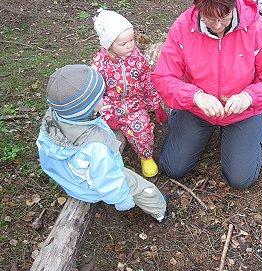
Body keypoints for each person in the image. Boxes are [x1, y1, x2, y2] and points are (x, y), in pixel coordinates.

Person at [152, 0, 262, 189]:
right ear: (198, 9)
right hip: (198, 109)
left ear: (234, 6)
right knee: (172, 167)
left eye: (223, 18)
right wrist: (195, 97)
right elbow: (163, 77)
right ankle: (199, 128)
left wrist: (249, 97)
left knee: (240, 179)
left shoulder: (256, 28)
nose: (217, 26)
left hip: (242, 111)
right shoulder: (182, 28)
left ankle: (261, 124)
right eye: (209, 19)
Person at [36, 65, 167, 221]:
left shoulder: (52, 118)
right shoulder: (96, 147)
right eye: (99, 98)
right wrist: (122, 201)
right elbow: (109, 180)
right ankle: (160, 210)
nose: (103, 99)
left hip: (70, 182)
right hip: (89, 189)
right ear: (86, 110)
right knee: (142, 188)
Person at [92, 9, 168, 178]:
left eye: (131, 40)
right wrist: (106, 111)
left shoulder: (138, 59)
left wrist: (156, 105)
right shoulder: (100, 63)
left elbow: (148, 82)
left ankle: (145, 156)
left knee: (143, 132)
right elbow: (96, 92)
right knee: (100, 131)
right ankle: (105, 166)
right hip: (110, 104)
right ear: (108, 44)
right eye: (123, 44)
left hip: (134, 105)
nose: (130, 45)